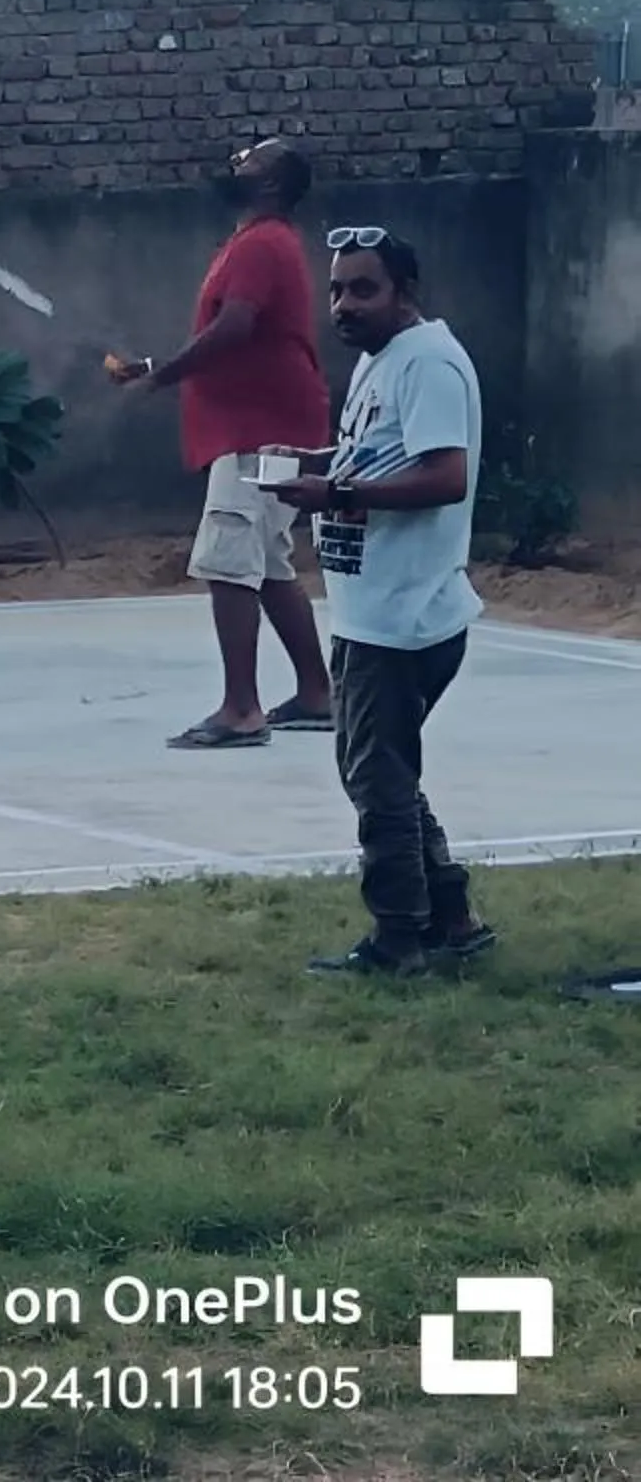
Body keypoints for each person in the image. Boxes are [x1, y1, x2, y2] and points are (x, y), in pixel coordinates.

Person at [263, 229, 493, 977]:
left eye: (364, 289)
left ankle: (399, 939)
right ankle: (450, 916)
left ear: (405, 292)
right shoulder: (382, 359)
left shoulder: (428, 363)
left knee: (376, 779)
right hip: (374, 609)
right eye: (336, 289)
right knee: (386, 770)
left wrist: (336, 493)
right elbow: (379, 455)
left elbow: (447, 476)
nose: (344, 305)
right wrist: (318, 464)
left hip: (402, 618)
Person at [110, 138, 337, 749]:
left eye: (250, 158)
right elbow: (235, 331)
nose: (236, 162)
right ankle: (317, 694)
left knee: (230, 558)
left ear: (273, 183)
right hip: (274, 421)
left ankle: (241, 710)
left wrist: (164, 376)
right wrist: (155, 365)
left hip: (257, 428)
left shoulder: (261, 243)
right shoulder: (259, 241)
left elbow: (235, 327)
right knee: (267, 562)